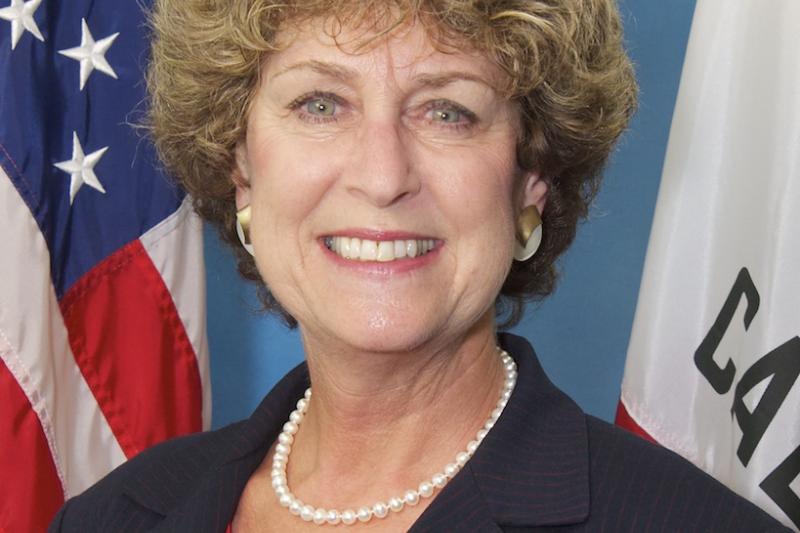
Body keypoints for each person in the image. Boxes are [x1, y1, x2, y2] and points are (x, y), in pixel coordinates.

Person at [49, 0, 789, 531]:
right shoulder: (112, 516)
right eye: (319, 104)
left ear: (530, 176)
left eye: (446, 111)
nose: (382, 174)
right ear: (240, 165)